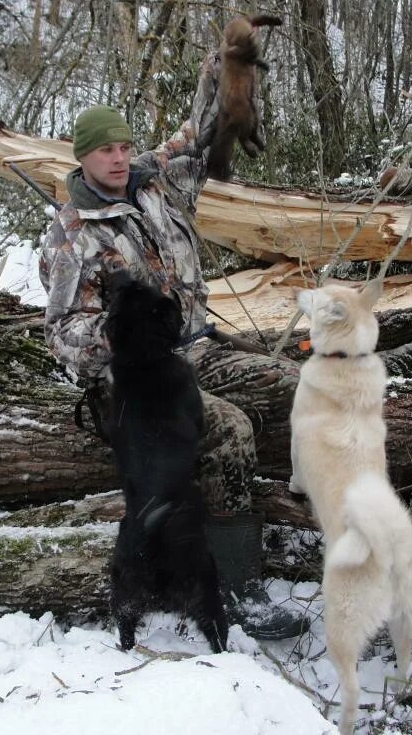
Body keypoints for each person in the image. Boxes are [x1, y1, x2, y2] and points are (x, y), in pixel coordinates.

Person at [38, 46, 307, 641]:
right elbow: (64, 334)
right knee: (231, 428)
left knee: (295, 386)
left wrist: (221, 74)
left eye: (121, 147)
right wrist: (127, 339)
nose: (116, 158)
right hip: (138, 383)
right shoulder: (71, 235)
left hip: (199, 348)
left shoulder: (155, 184)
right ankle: (237, 585)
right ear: (81, 157)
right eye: (103, 150)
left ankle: (293, 510)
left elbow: (198, 135)